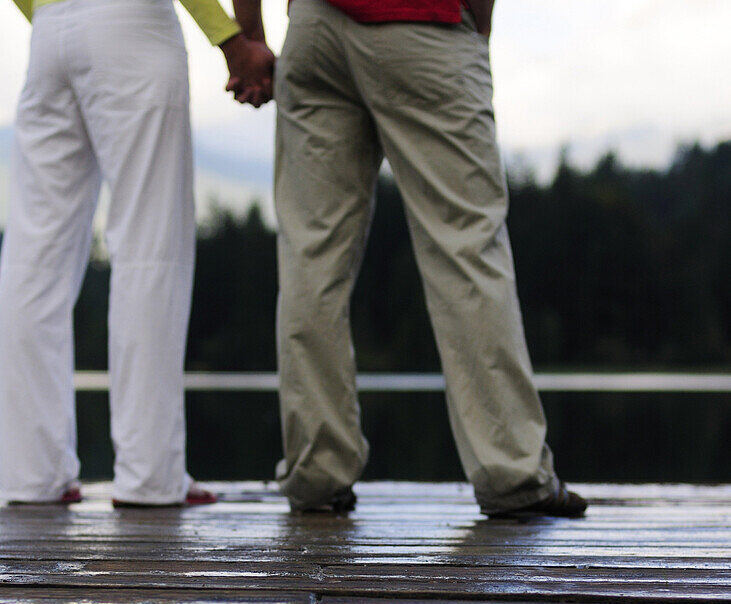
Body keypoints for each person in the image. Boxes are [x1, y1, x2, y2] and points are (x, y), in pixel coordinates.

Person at [228, 0, 586, 518]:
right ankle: (511, 473)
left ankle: (315, 472)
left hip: (315, 30)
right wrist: (476, 26)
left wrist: (251, 36)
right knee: (465, 247)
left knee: (312, 255)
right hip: (427, 21)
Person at [0, 0, 274, 506]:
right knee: (150, 248)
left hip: (50, 31)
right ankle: (150, 476)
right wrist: (234, 40)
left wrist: (52, 18)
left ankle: (30, 474)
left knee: (33, 260)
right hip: (129, 23)